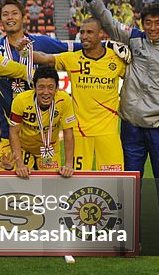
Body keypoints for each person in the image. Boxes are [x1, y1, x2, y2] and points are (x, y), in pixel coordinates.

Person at [81, 0, 159, 253]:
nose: (152, 28)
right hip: (130, 127)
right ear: (142, 24)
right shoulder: (133, 40)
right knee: (129, 186)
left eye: (158, 23)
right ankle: (129, 238)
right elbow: (106, 21)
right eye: (148, 23)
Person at [33, 17, 126, 171]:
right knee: (78, 182)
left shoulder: (116, 59)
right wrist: (24, 50)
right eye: (82, 32)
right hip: (79, 132)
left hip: (108, 132)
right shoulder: (72, 58)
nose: (84, 36)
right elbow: (45, 58)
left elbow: (137, 77)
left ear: (101, 34)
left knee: (113, 181)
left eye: (89, 32)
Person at [0, 0, 71, 138]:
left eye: (14, 13)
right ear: (0, 20)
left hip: (39, 131)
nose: (10, 17)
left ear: (24, 18)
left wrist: (108, 45)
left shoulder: (42, 43)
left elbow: (77, 47)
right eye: (5, 14)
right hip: (5, 131)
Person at [8, 66, 76, 179]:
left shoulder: (64, 100)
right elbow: (13, 132)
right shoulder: (20, 100)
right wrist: (19, 164)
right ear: (33, 87)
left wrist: (69, 164)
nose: (46, 92)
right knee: (21, 181)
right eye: (41, 87)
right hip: (24, 147)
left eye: (50, 87)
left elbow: (68, 132)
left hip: (50, 148)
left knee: (50, 185)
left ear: (57, 88)